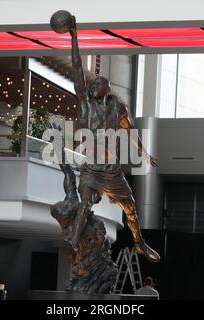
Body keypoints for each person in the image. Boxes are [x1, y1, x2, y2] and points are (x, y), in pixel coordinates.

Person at [64, 16, 160, 263]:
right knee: (85, 202)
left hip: (112, 170)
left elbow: (131, 133)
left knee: (130, 208)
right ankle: (74, 240)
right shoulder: (85, 102)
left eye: (99, 82)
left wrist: (145, 154)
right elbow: (76, 67)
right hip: (92, 169)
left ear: (107, 89)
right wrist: (73, 35)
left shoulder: (117, 109)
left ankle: (139, 243)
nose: (94, 84)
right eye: (93, 82)